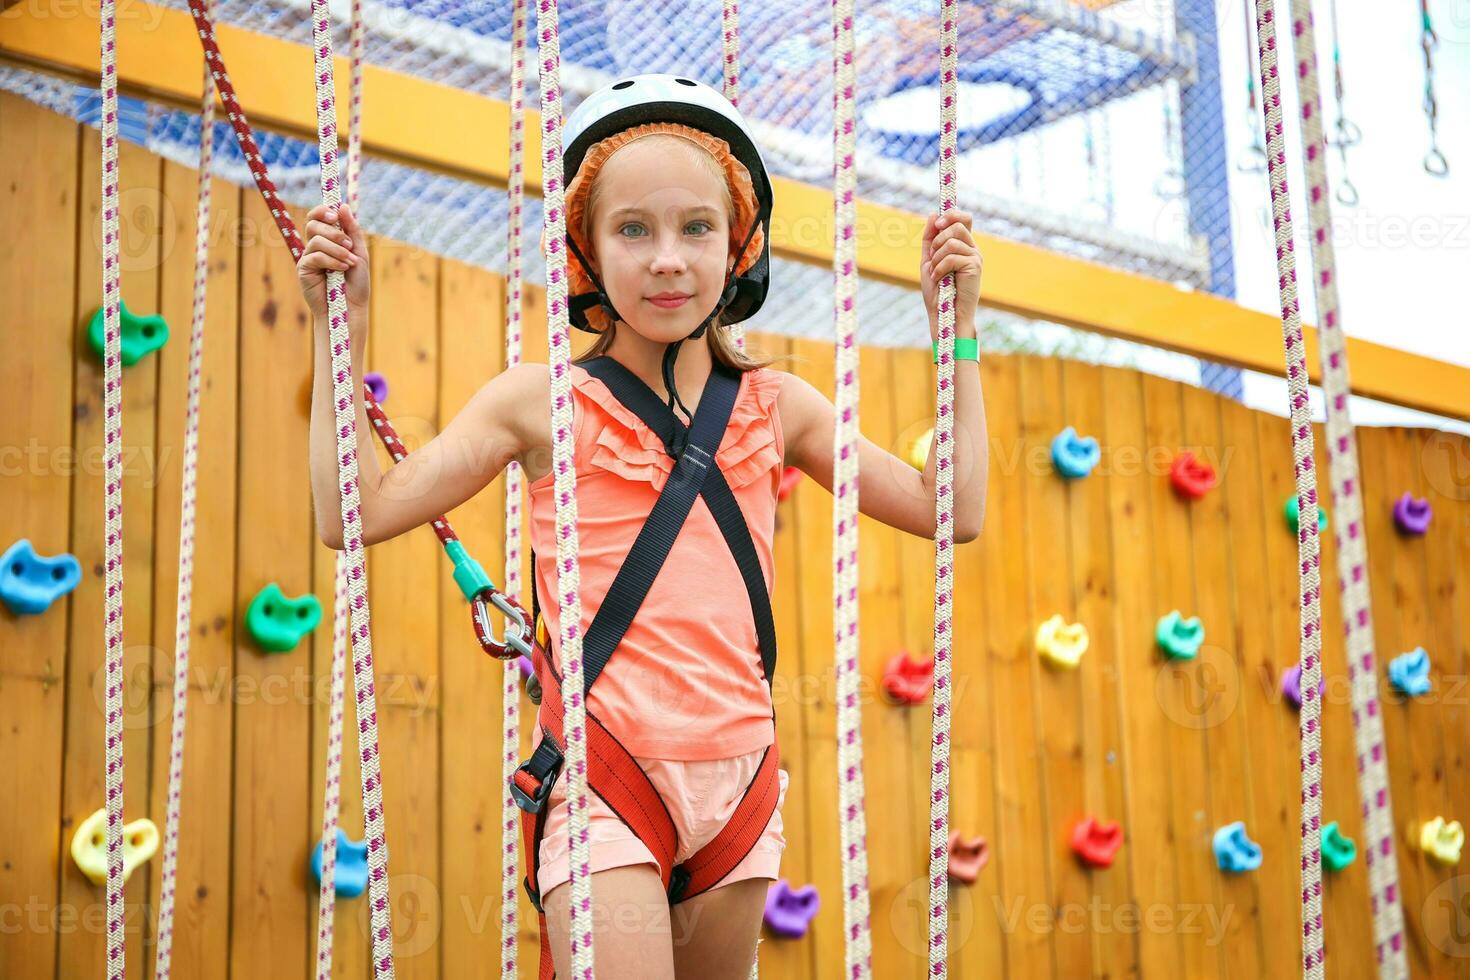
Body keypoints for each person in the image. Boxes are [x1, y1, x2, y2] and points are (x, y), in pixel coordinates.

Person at [300, 73, 987, 980]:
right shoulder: (541, 404)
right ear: (586, 253)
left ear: (738, 249)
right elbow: (354, 513)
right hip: (605, 779)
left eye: (697, 227)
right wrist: (333, 329)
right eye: (634, 230)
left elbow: (956, 510)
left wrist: (959, 335)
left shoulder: (782, 408)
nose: (668, 258)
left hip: (738, 785)